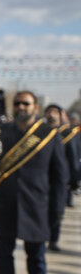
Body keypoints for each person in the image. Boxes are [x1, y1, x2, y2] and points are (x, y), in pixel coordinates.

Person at [0, 91, 68, 274]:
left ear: (35, 107)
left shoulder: (48, 135)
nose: (21, 107)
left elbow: (59, 178)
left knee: (36, 258)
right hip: (6, 204)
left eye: (26, 103)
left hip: (36, 207)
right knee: (3, 255)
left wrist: (57, 212)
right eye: (17, 103)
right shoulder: (1, 134)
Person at [44, 104, 78, 251]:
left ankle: (54, 239)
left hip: (60, 179)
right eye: (49, 112)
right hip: (42, 178)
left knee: (57, 210)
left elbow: (73, 157)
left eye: (55, 112)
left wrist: (74, 179)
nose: (51, 115)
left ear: (60, 114)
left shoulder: (68, 133)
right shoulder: (40, 133)